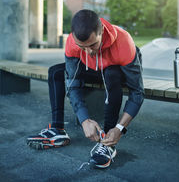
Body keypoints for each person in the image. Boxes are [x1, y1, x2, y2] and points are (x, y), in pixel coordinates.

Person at [27, 9, 144, 169]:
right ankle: (57, 129)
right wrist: (84, 120)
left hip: (119, 71)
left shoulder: (123, 42)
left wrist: (120, 128)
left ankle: (108, 141)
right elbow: (73, 84)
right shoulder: (72, 43)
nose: (89, 52)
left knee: (111, 73)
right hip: (93, 69)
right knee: (55, 72)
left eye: (93, 44)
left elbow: (137, 92)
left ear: (101, 31)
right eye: (82, 47)